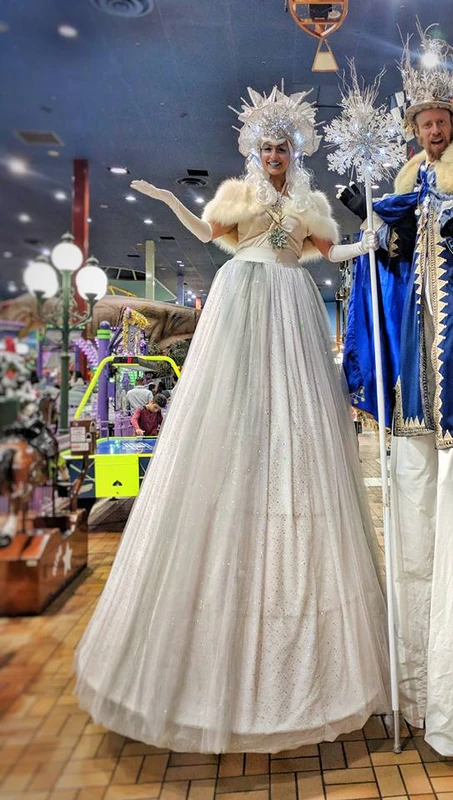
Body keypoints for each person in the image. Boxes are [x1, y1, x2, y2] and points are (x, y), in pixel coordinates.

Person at [74, 85, 389, 754]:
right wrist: (164, 200)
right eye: (266, 147)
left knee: (295, 429)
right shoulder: (239, 200)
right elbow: (204, 234)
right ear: (255, 151)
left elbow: (325, 255)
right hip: (242, 299)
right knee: (228, 412)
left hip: (289, 301)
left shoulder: (304, 205)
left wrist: (367, 244)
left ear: (294, 152)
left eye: (283, 148)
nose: (274, 157)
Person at [341, 25, 453, 764]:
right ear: (415, 128)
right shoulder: (401, 197)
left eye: (441, 119)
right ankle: (413, 698)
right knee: (409, 551)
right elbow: (380, 286)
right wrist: (380, 242)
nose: (433, 128)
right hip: (410, 413)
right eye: (423, 121)